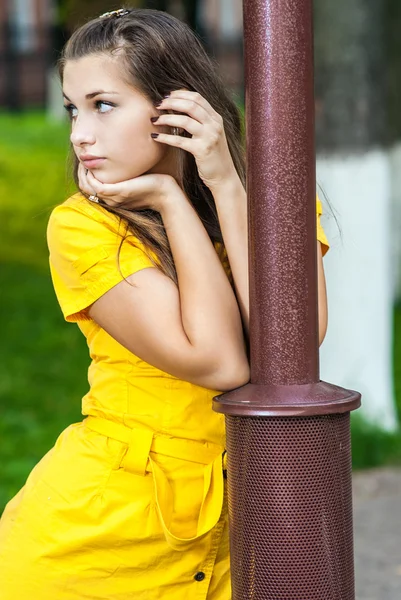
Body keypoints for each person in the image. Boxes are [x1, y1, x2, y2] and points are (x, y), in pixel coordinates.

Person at [0, 7, 330, 599]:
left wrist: (227, 185)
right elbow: (221, 363)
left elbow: (295, 344)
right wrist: (172, 203)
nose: (79, 133)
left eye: (103, 105)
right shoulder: (82, 228)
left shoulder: (275, 194)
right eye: (73, 108)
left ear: (178, 106)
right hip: (99, 540)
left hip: (245, 528)